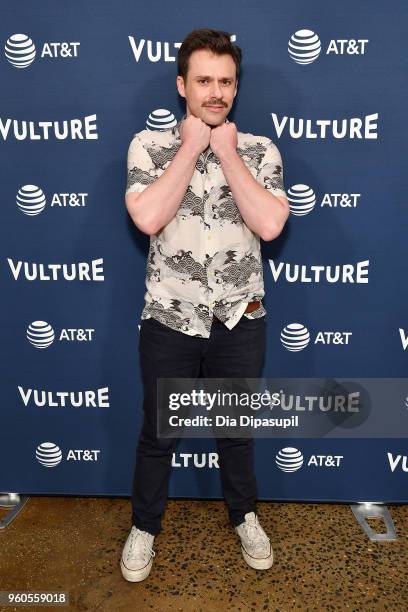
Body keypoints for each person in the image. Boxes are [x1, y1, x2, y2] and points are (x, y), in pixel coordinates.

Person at [120, 28, 289, 582]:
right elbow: (146, 218)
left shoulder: (261, 151)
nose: (215, 92)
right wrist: (193, 147)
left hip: (240, 320)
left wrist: (227, 152)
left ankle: (245, 517)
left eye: (225, 82)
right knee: (159, 433)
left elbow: (268, 223)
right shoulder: (149, 147)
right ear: (181, 86)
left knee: (236, 431)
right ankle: (145, 527)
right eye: (203, 81)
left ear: (236, 89)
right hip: (170, 319)